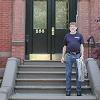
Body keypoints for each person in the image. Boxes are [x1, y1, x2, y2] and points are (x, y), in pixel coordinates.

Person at [61, 22, 84, 96]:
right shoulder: (66, 36)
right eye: (71, 26)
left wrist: (82, 55)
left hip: (78, 55)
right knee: (68, 73)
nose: (72, 27)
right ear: (69, 28)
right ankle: (68, 91)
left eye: (74, 26)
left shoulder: (79, 35)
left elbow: (81, 46)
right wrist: (62, 56)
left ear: (76, 28)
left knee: (79, 74)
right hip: (69, 56)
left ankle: (79, 91)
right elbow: (64, 47)